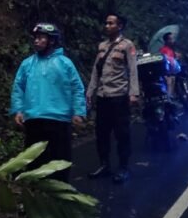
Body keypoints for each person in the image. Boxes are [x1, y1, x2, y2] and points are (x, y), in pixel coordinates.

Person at [10, 22, 86, 182]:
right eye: (35, 38)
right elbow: (18, 88)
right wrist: (18, 110)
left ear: (51, 41)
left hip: (59, 120)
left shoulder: (65, 63)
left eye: (41, 38)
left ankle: (60, 194)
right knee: (34, 161)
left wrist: (79, 112)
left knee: (60, 161)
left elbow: (76, 88)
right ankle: (37, 197)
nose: (36, 41)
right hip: (33, 119)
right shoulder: (27, 64)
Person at [86, 14, 140, 183]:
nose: (107, 25)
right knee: (101, 133)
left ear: (120, 26)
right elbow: (96, 71)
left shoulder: (127, 45)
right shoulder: (102, 46)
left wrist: (133, 93)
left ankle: (123, 167)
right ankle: (104, 165)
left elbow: (133, 70)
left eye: (111, 23)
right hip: (103, 96)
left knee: (122, 134)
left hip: (119, 97)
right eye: (106, 22)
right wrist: (90, 91)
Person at [159, 32, 181, 98]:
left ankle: (172, 95)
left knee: (173, 78)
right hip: (166, 71)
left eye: (173, 39)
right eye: (171, 39)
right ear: (167, 40)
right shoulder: (163, 50)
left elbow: (173, 59)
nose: (172, 41)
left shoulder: (171, 50)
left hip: (172, 70)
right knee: (170, 80)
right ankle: (169, 97)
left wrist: (177, 56)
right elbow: (164, 59)